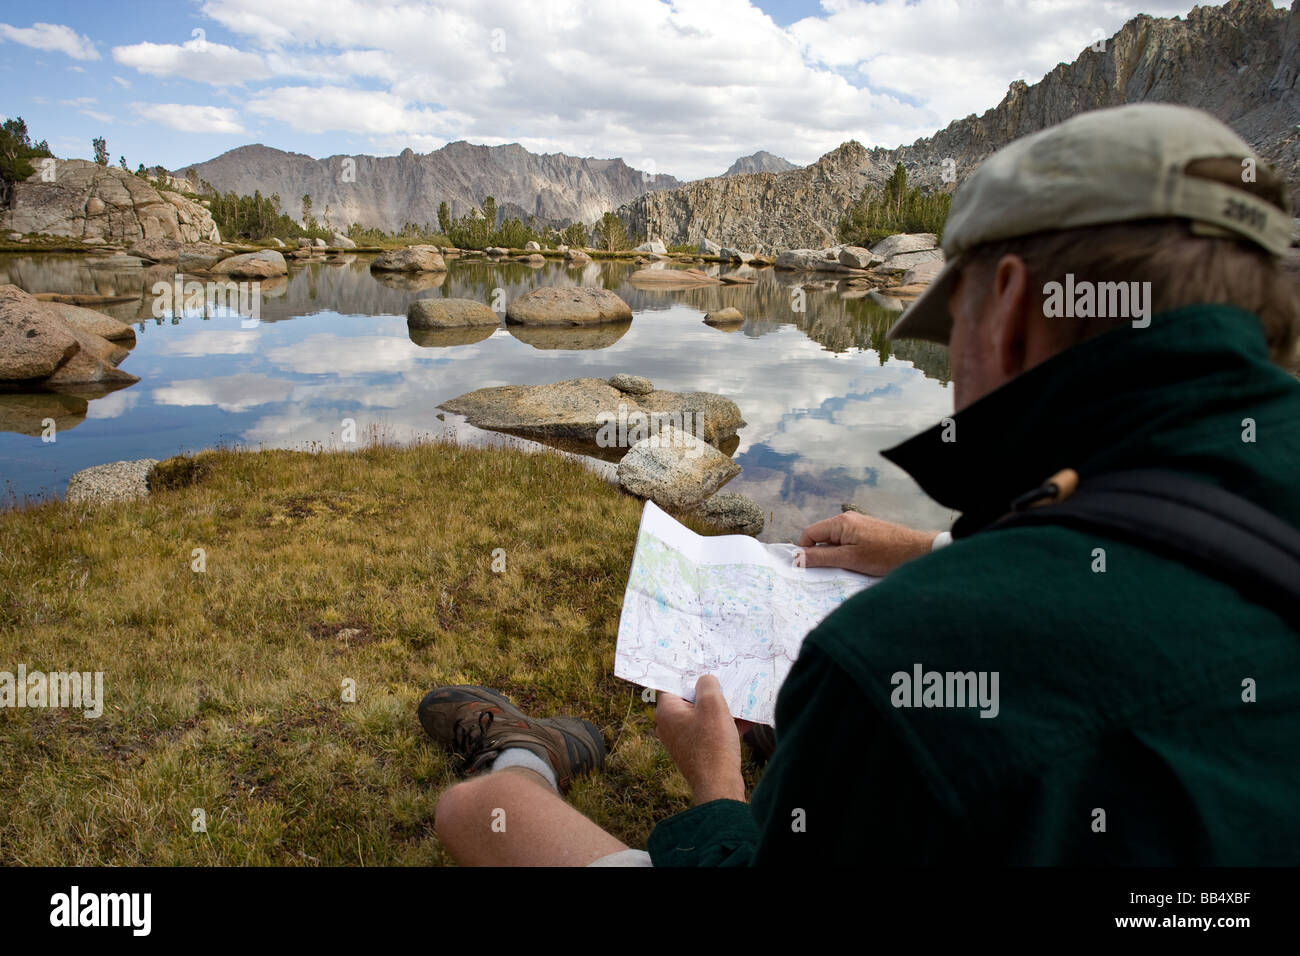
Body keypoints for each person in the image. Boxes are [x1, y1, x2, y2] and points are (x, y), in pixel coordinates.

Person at [421, 102, 1300, 866]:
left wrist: (718, 789)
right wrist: (923, 549)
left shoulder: (909, 652)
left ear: (1012, 309)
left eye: (949, 323)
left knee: (484, 818)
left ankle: (522, 757)